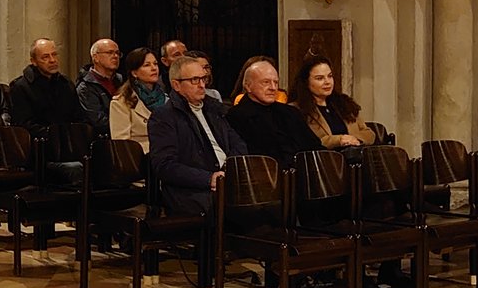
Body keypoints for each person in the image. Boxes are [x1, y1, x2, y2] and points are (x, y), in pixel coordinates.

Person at [148, 54, 248, 217]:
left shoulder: (215, 109)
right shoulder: (164, 117)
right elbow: (164, 166)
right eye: (195, 80)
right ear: (176, 85)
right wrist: (209, 178)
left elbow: (238, 144)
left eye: (203, 79)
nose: (202, 85)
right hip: (192, 191)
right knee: (233, 212)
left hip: (227, 181)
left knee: (268, 203)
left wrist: (230, 169)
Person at [228, 57, 321, 166]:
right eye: (266, 82)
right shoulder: (236, 117)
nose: (273, 88)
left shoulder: (291, 113)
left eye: (276, 82)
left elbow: (315, 148)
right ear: (248, 86)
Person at [292, 55, 375, 148]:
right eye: (320, 78)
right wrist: (339, 140)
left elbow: (369, 134)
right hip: (324, 160)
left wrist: (353, 139)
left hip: (355, 157)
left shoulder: (344, 103)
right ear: (306, 82)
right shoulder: (296, 110)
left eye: (330, 76)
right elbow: (309, 142)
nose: (327, 82)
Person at [9, 39, 84, 131]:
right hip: (40, 141)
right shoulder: (21, 87)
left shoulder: (66, 83)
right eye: (45, 57)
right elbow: (23, 125)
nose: (52, 60)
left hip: (68, 140)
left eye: (54, 54)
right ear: (34, 61)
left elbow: (79, 118)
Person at [109, 47, 165, 153]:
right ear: (134, 73)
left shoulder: (167, 99)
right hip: (141, 158)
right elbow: (122, 144)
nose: (154, 68)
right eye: (147, 65)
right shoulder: (121, 103)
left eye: (155, 64)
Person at [76, 38, 122, 134]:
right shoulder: (85, 87)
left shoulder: (121, 81)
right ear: (95, 57)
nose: (115, 56)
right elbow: (98, 121)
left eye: (117, 53)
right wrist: (124, 124)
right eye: (110, 53)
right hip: (102, 139)